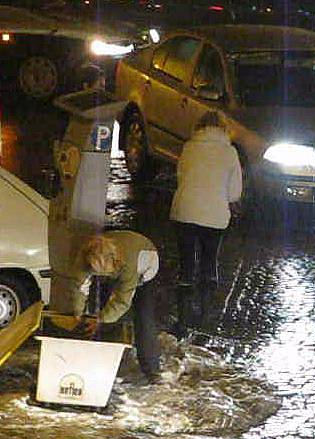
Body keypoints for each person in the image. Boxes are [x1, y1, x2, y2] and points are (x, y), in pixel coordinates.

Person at [51, 230, 162, 382]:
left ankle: (152, 369)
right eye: (96, 271)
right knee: (102, 303)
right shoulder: (84, 257)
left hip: (146, 263)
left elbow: (123, 300)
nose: (100, 274)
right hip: (115, 261)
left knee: (143, 314)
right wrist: (77, 314)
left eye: (103, 272)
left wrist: (101, 319)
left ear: (113, 263)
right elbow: (80, 288)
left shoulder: (128, 264)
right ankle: (100, 352)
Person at [169, 111, 242, 332]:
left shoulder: (189, 147)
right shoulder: (229, 153)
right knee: (210, 261)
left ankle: (181, 320)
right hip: (215, 217)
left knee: (186, 264)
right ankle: (205, 314)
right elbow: (235, 193)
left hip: (185, 211)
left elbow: (180, 176)